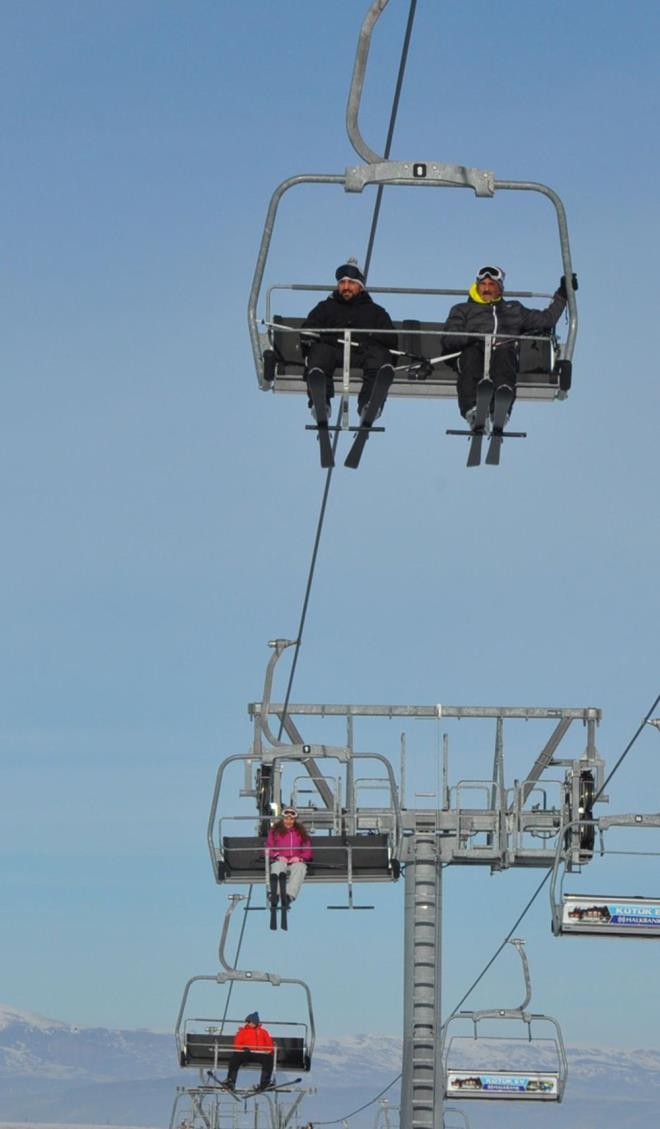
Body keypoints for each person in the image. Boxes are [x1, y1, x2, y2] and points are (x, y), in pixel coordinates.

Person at [443, 266, 576, 426]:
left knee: (505, 353)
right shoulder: (462, 310)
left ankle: (501, 404)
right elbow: (449, 338)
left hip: (502, 354)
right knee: (471, 355)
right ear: (477, 286)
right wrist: (475, 338)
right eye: (483, 284)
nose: (486, 288)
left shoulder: (513, 310)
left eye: (491, 285)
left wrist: (563, 293)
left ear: (500, 288)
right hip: (472, 354)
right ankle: (473, 410)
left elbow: (545, 320)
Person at [301, 258, 397, 421]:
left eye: (351, 283)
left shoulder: (375, 312)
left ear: (360, 286)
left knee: (380, 357)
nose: (346, 287)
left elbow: (391, 338)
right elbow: (307, 329)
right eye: (342, 282)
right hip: (334, 351)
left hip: (363, 353)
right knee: (319, 353)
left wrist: (370, 338)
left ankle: (370, 404)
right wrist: (318, 335)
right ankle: (320, 402)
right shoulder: (325, 308)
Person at [265, 807, 313, 906]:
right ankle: (274, 893)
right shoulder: (274, 831)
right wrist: (277, 856)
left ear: (295, 820)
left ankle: (289, 895)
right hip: (281, 859)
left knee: (301, 868)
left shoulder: (301, 832)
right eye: (286, 818)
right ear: (282, 819)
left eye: (291, 819)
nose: (289, 821)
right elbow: (268, 848)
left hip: (295, 860)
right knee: (277, 866)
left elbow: (307, 850)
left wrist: (300, 858)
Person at [221, 1013, 274, 1092]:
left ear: (255, 1022)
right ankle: (230, 1080)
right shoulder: (242, 1032)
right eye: (247, 1022)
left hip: (260, 1053)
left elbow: (269, 1044)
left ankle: (265, 1082)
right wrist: (243, 1048)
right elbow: (237, 1044)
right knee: (235, 1059)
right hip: (246, 1053)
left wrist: (269, 1052)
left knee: (268, 1059)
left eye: (249, 1022)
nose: (248, 1023)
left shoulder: (263, 1032)